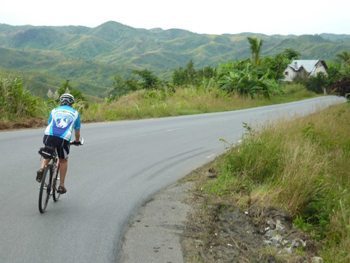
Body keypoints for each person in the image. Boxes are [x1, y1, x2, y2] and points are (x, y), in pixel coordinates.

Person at [37, 93, 81, 194]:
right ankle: (61, 185)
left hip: (49, 135)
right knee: (63, 160)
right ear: (72, 103)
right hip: (63, 138)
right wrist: (77, 141)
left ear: (61, 101)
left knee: (47, 152)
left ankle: (42, 169)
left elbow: (50, 123)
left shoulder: (54, 110)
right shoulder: (75, 113)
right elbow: (77, 131)